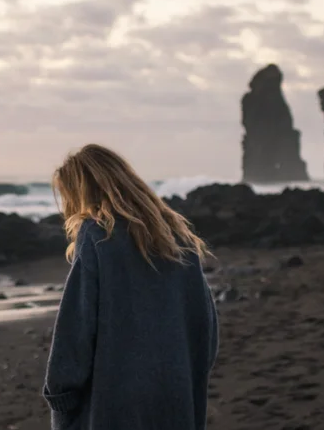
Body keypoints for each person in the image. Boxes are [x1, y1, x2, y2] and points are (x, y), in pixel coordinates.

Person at [43, 144, 220, 430]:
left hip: (115, 402)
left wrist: (60, 395)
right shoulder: (179, 237)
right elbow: (206, 328)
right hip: (176, 391)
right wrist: (185, 374)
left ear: (83, 191)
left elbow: (76, 328)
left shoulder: (97, 237)